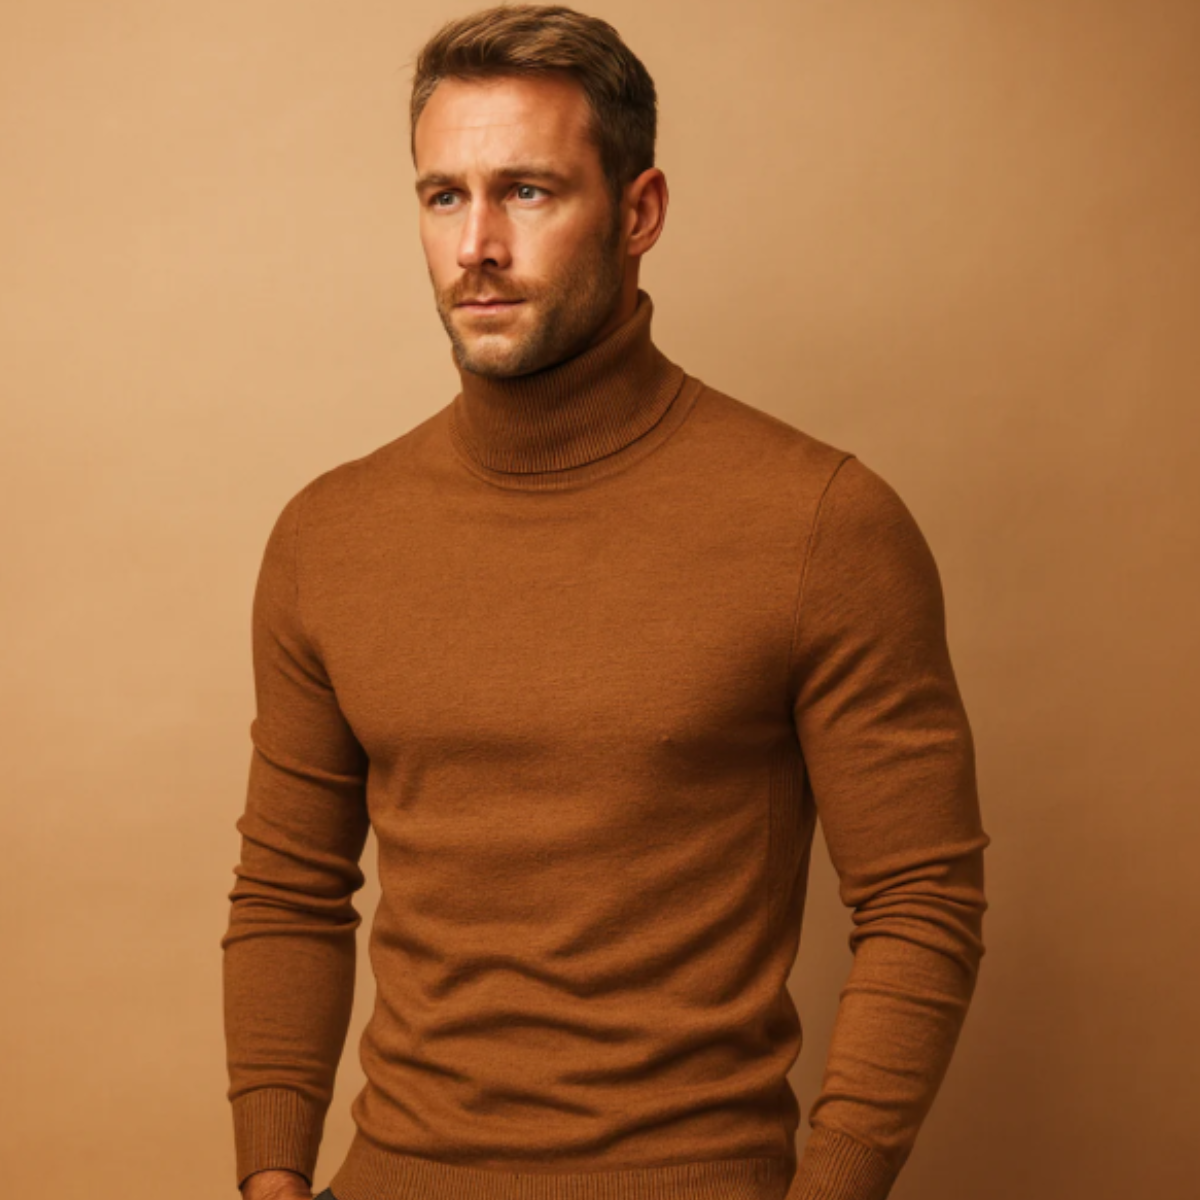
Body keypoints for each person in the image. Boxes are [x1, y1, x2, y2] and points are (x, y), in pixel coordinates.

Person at [220, 6, 991, 1200]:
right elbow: (289, 893)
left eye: (526, 192)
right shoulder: (330, 534)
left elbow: (920, 903)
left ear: (640, 213)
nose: (476, 245)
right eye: (444, 196)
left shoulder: (822, 522)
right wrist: (272, 1178)